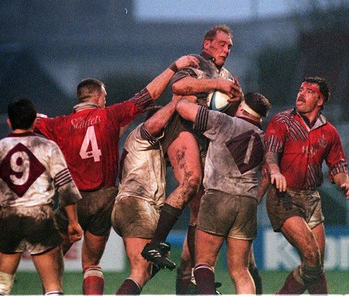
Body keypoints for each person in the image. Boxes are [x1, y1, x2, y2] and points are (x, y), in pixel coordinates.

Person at [34, 55, 199, 295]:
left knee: (51, 257)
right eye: (105, 96)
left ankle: (52, 291)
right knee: (91, 263)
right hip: (104, 198)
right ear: (99, 97)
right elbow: (147, 96)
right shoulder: (109, 116)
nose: (106, 100)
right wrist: (174, 67)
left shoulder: (59, 124)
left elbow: (29, 122)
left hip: (73, 200)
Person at [142, 24, 242, 272]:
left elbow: (224, 110)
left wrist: (235, 100)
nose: (227, 49)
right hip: (181, 126)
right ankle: (155, 243)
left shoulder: (227, 75)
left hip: (204, 134)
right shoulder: (196, 62)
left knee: (200, 207)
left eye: (230, 46)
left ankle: (196, 275)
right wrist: (217, 84)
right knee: (191, 180)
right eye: (222, 44)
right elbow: (178, 87)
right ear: (207, 44)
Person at [0, 98, 83, 295]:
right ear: (35, 121)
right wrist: (73, 221)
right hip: (40, 220)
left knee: (0, 289)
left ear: (9, 122)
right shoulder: (48, 147)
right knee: (53, 289)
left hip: (8, 221)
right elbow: (66, 186)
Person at [264, 76, 349, 294]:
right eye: (300, 89)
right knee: (312, 256)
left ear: (320, 100)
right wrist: (275, 171)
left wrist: (346, 184)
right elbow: (270, 152)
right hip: (284, 196)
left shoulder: (329, 132)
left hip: (311, 199)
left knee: (315, 266)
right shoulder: (283, 121)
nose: (301, 93)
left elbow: (338, 167)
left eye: (308, 91)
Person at [175, 92, 271, 294]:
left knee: (203, 264)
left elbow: (182, 107)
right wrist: (256, 197)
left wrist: (213, 94)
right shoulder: (264, 137)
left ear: (242, 108)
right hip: (247, 202)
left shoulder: (224, 122)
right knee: (241, 270)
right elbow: (267, 174)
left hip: (218, 197)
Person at [112, 94, 197, 295]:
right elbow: (156, 122)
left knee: (147, 270)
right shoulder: (144, 133)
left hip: (131, 205)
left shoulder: (145, 146)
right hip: (136, 205)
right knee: (139, 272)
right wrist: (177, 101)